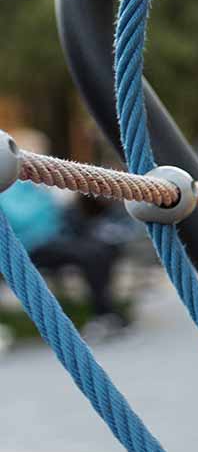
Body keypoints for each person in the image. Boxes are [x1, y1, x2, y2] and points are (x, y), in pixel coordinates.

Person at [0, 131, 133, 340]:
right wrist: (48, 200)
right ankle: (104, 314)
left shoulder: (36, 183)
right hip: (32, 245)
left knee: (104, 247)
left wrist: (62, 202)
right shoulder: (8, 187)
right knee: (89, 254)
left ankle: (106, 311)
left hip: (57, 238)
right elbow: (22, 219)